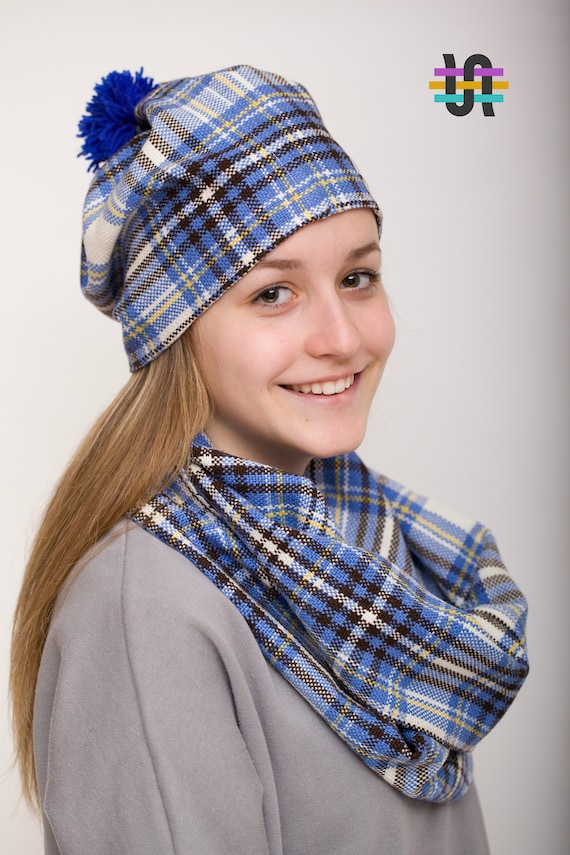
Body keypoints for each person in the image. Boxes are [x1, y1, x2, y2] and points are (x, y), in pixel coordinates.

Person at [10, 66, 528, 855]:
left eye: (357, 277)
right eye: (272, 293)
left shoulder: (371, 541)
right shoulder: (147, 611)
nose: (343, 338)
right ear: (176, 328)